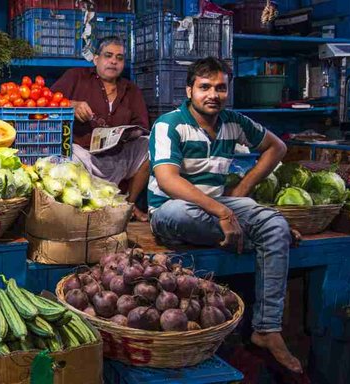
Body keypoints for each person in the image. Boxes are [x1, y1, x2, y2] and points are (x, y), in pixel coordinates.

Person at [147, 57, 302, 373]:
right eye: (204, 87)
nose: (213, 94)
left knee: (274, 223)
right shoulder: (169, 124)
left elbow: (277, 148)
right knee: (178, 213)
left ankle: (266, 329)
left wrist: (241, 191)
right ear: (190, 90)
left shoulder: (234, 122)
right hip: (172, 211)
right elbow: (167, 180)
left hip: (219, 209)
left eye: (220, 87)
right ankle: (247, 232)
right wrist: (223, 212)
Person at [51, 36, 150, 221]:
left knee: (150, 145)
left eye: (119, 58)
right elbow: (46, 103)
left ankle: (129, 204)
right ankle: (81, 208)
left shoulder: (131, 90)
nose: (113, 61)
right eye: (108, 55)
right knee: (64, 152)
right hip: (83, 157)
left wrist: (128, 134)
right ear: (96, 59)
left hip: (118, 158)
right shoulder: (76, 77)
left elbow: (142, 126)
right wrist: (71, 105)